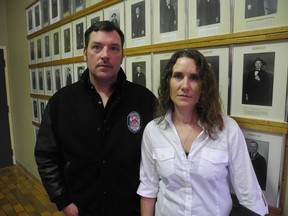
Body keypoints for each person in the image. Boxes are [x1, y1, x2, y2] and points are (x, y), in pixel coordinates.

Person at [34, 21, 156, 216]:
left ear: (122, 55)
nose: (105, 55)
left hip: (131, 210)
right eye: (97, 47)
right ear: (85, 53)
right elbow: (46, 156)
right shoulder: (62, 102)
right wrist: (63, 200)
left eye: (114, 48)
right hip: (82, 210)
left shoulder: (144, 100)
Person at [137, 49, 268, 216]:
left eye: (194, 78)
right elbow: (148, 189)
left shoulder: (227, 129)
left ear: (204, 86)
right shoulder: (153, 130)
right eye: (178, 76)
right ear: (168, 82)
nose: (185, 86)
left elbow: (250, 196)